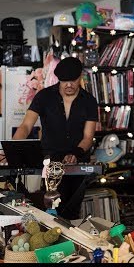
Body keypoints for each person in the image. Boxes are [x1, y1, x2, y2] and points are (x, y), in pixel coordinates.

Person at [13, 57, 98, 220]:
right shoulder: (44, 96)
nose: (69, 85)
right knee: (50, 212)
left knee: (72, 214)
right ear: (58, 79)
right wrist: (14, 149)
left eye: (73, 81)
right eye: (64, 81)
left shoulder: (89, 101)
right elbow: (26, 126)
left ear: (80, 77)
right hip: (50, 162)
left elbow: (88, 137)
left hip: (77, 161)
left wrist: (76, 153)